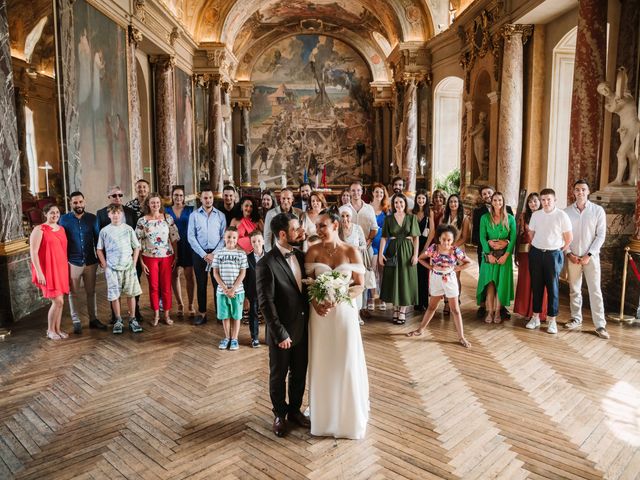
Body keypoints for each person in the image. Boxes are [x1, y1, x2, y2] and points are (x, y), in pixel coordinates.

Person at [305, 210, 369, 439]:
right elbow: (308, 283)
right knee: (323, 360)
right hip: (320, 317)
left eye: (322, 226)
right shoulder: (312, 250)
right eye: (316, 226)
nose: (317, 230)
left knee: (345, 360)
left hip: (344, 314)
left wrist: (339, 296)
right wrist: (316, 303)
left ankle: (347, 418)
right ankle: (323, 417)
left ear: (335, 225)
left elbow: (360, 285)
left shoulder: (351, 251)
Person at [257, 213, 310, 438]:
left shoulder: (302, 255)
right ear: (282, 234)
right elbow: (265, 303)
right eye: (296, 229)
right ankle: (279, 414)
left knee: (299, 373)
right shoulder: (265, 263)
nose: (300, 232)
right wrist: (280, 333)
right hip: (282, 332)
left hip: (303, 329)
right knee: (278, 375)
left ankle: (294, 411)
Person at [407, 224, 472, 348]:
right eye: (443, 239)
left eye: (449, 240)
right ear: (439, 238)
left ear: (452, 241)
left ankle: (461, 337)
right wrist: (431, 267)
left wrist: (457, 268)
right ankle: (420, 329)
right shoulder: (434, 248)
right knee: (432, 307)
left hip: (450, 279)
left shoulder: (455, 250)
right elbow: (421, 259)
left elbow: (468, 262)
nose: (446, 242)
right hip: (436, 278)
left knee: (455, 310)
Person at [564, 180, 609, 339]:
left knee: (595, 291)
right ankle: (576, 318)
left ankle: (600, 325)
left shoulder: (597, 211)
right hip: (573, 257)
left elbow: (601, 235)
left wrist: (588, 255)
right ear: (573, 192)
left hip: (591, 258)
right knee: (574, 289)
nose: (580, 192)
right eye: (577, 190)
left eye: (583, 189)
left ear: (588, 191)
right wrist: (569, 253)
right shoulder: (567, 212)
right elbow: (563, 236)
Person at [525, 188, 573, 334]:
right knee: (537, 286)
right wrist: (540, 246)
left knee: (553, 288)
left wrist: (557, 249)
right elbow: (531, 234)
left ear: (554, 200)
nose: (545, 202)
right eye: (543, 200)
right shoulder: (536, 215)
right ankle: (535, 317)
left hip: (553, 254)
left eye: (548, 199)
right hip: (536, 253)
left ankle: (552, 320)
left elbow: (569, 238)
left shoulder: (562, 215)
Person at [59, 191, 106, 333]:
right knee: (73, 293)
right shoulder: (63, 220)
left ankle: (93, 319)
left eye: (80, 202)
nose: (78, 205)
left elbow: (98, 240)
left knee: (91, 292)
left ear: (84, 202)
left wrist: (101, 259)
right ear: (70, 203)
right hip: (73, 262)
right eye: (75, 202)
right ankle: (76, 321)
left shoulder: (92, 218)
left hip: (91, 262)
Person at [96, 204, 143, 335]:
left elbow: (137, 247)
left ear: (122, 214)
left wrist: (134, 263)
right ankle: (118, 319)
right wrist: (105, 265)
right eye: (113, 213)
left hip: (128, 266)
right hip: (112, 268)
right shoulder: (104, 231)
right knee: (114, 295)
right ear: (109, 215)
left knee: (131, 293)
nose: (116, 215)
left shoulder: (128, 229)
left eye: (118, 212)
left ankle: (132, 318)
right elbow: (99, 249)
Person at [136, 193, 180, 326]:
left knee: (166, 286)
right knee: (154, 287)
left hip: (167, 257)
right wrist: (141, 262)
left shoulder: (168, 218)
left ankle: (166, 315)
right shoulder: (142, 221)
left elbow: (174, 238)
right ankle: (156, 314)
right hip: (149, 257)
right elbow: (138, 243)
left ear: (160, 204)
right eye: (152, 203)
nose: (155, 205)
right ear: (148, 204)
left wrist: (176, 257)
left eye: (157, 202)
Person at [472, 185, 514, 319]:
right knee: (490, 283)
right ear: (491, 201)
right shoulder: (484, 217)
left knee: (501, 282)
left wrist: (506, 253)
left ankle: (498, 312)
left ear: (503, 202)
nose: (497, 202)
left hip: (504, 256)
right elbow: (481, 237)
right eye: (494, 200)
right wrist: (488, 254)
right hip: (488, 255)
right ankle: (489, 311)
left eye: (499, 200)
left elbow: (513, 238)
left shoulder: (510, 217)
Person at [30, 204, 70, 340]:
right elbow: (34, 252)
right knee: (57, 301)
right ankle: (50, 330)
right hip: (48, 269)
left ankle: (57, 329)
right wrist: (39, 272)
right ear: (45, 214)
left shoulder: (62, 229)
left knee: (61, 302)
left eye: (57, 212)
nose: (55, 215)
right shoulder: (39, 229)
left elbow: (63, 250)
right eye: (52, 213)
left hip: (61, 268)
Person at [379, 193, 420, 324]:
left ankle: (402, 311)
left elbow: (416, 238)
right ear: (393, 204)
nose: (399, 205)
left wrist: (415, 255)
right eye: (396, 203)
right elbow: (384, 237)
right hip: (393, 251)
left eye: (401, 202)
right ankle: (395, 310)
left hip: (408, 252)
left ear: (405, 203)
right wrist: (381, 254)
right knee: (393, 280)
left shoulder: (412, 218)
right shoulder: (388, 219)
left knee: (406, 281)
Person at [188, 188, 226, 325]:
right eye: (205, 198)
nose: (208, 200)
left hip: (217, 254)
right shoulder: (194, 216)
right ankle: (202, 314)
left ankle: (220, 314)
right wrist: (204, 255)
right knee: (201, 284)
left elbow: (223, 237)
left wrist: (213, 254)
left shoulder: (221, 216)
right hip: (200, 254)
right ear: (201, 199)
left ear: (212, 199)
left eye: (210, 197)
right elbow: (191, 237)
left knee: (218, 284)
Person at [513, 193, 548, 321]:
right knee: (526, 281)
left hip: (540, 252)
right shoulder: (523, 217)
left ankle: (539, 312)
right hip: (525, 253)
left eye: (535, 201)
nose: (533, 204)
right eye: (530, 202)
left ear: (540, 202)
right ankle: (525, 310)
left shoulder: (545, 216)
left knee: (539, 281)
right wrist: (516, 254)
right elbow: (518, 236)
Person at [347, 181, 378, 320]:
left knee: (365, 277)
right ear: (349, 192)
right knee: (350, 278)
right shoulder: (345, 208)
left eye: (358, 190)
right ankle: (352, 309)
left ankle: (363, 307)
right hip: (349, 248)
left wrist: (369, 241)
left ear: (362, 191)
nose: (356, 193)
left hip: (366, 247)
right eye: (353, 190)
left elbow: (375, 228)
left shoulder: (369, 208)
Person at [213, 226, 248, 350]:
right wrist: (224, 288)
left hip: (237, 291)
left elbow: (242, 273)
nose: (231, 240)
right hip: (222, 292)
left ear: (237, 238)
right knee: (225, 316)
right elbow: (215, 273)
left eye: (234, 237)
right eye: (228, 237)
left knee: (236, 316)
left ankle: (234, 339)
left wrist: (233, 289)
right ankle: (227, 337)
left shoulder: (241, 254)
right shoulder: (218, 253)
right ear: (224, 238)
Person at [166, 186, 195, 318]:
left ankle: (190, 304)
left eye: (181, 195)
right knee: (174, 275)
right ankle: (180, 304)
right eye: (176, 195)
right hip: (172, 246)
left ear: (184, 197)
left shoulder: (190, 210)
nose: (178, 198)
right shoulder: (166, 210)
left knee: (189, 276)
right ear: (172, 197)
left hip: (187, 246)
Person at [440, 193, 471, 314]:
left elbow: (464, 237)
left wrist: (453, 247)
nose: (453, 204)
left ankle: (456, 300)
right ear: (448, 204)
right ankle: (446, 303)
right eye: (451, 202)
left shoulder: (464, 218)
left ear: (459, 204)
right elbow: (440, 233)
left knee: (455, 276)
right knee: (445, 276)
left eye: (455, 202)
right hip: (444, 249)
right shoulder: (444, 217)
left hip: (457, 250)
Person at [338, 205, 367, 323]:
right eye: (342, 216)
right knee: (344, 287)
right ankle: (346, 314)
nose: (345, 218)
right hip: (343, 263)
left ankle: (358, 314)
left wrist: (354, 248)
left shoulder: (357, 228)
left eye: (347, 216)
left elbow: (364, 245)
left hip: (356, 262)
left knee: (357, 287)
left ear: (351, 216)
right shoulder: (338, 229)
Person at [370, 182, 390, 311]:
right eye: (376, 192)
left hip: (383, 243)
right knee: (372, 270)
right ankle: (371, 297)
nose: (379, 194)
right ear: (372, 193)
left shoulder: (386, 210)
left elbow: (389, 228)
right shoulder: (367, 207)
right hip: (371, 243)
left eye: (381, 193)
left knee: (382, 271)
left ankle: (382, 298)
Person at [243, 230, 264, 348]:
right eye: (254, 241)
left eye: (259, 241)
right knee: (253, 314)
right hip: (253, 291)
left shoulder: (269, 256)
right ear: (251, 243)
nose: (257, 243)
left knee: (269, 315)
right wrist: (246, 295)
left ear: (263, 241)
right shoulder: (247, 258)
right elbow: (245, 278)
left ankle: (268, 337)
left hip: (267, 291)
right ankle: (254, 337)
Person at [412, 190, 430, 312]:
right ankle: (416, 302)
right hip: (413, 245)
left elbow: (432, 231)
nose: (421, 201)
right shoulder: (412, 213)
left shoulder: (430, 213)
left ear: (426, 200)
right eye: (419, 198)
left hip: (425, 245)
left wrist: (425, 248)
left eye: (423, 198)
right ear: (416, 199)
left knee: (424, 274)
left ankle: (424, 302)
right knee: (415, 275)